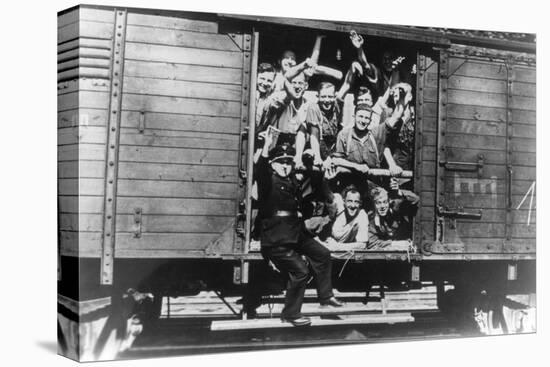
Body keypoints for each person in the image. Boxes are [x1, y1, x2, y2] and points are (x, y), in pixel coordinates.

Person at [255, 130, 342, 326]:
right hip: (277, 238)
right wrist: (266, 147)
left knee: (322, 254)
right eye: (281, 162)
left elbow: (312, 180)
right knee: (301, 271)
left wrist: (320, 169)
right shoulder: (267, 182)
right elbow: (260, 169)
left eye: (288, 162)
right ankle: (291, 314)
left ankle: (326, 296)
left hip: (295, 232)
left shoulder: (291, 180)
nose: (285, 166)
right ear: (273, 164)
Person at [329, 103, 404, 199]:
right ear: (354, 116)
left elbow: (396, 117)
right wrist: (356, 167)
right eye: (360, 116)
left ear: (370, 120)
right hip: (350, 188)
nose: (363, 121)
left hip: (373, 188)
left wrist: (392, 165)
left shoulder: (375, 134)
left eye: (366, 118)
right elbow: (336, 160)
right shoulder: (344, 135)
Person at [349, 30, 405, 100]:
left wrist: (396, 70)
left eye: (390, 58)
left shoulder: (401, 73)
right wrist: (359, 48)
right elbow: (365, 64)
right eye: (385, 59)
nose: (387, 61)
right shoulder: (377, 72)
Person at [368, 179, 419, 249]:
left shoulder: (395, 206)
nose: (382, 206)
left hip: (406, 243)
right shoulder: (371, 219)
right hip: (393, 247)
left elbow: (415, 199)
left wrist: (399, 192)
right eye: (378, 203)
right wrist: (393, 244)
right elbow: (372, 243)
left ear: (389, 202)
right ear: (373, 205)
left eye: (385, 202)